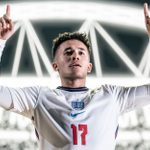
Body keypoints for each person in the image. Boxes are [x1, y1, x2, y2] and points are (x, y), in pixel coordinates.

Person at [0, 3, 150, 150]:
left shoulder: (112, 96)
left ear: (89, 66)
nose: (75, 57)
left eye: (81, 52)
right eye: (68, 52)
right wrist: (0, 41)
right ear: (55, 66)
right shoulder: (39, 97)